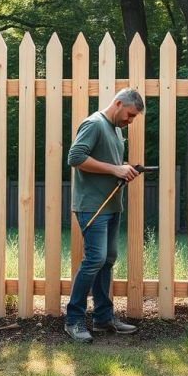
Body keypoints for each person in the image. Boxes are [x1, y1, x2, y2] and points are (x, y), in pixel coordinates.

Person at [63, 88, 144, 343]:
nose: (130, 121)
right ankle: (73, 320)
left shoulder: (116, 130)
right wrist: (115, 169)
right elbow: (75, 157)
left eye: (133, 118)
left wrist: (125, 169)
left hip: (111, 206)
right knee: (94, 259)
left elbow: (109, 164)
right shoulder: (94, 124)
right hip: (92, 206)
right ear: (118, 103)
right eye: (129, 115)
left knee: (107, 259)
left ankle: (102, 318)